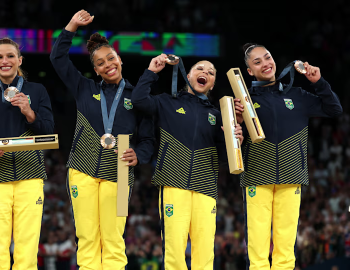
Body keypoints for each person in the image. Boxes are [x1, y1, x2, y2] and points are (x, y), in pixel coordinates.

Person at [50, 9, 154, 270]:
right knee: (87, 238)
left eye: (111, 58)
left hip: (119, 172)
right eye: (100, 63)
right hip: (82, 169)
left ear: (120, 60)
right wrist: (72, 25)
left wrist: (139, 154)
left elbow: (148, 138)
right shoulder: (84, 89)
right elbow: (57, 58)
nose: (108, 65)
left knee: (113, 238)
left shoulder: (138, 97)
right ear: (95, 70)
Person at [235, 43, 342, 270]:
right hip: (256, 178)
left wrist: (318, 83)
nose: (265, 63)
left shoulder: (297, 95)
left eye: (267, 57)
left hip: (292, 176)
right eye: (257, 62)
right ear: (250, 72)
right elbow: (229, 141)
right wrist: (236, 120)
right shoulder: (242, 102)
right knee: (258, 248)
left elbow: (334, 110)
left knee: (285, 249)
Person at [131, 54, 243, 270]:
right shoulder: (166, 102)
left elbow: (227, 156)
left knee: (204, 252)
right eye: (200, 69)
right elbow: (138, 100)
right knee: (174, 252)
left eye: (211, 73)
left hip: (206, 188)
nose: (205, 73)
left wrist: (237, 136)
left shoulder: (217, 115)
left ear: (212, 83)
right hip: (173, 184)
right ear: (188, 75)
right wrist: (152, 72)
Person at [0, 37, 54, 270]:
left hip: (31, 176)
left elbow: (48, 131)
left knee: (27, 248)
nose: (4, 61)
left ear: (19, 60)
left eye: (10, 56)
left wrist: (29, 111)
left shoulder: (37, 91)